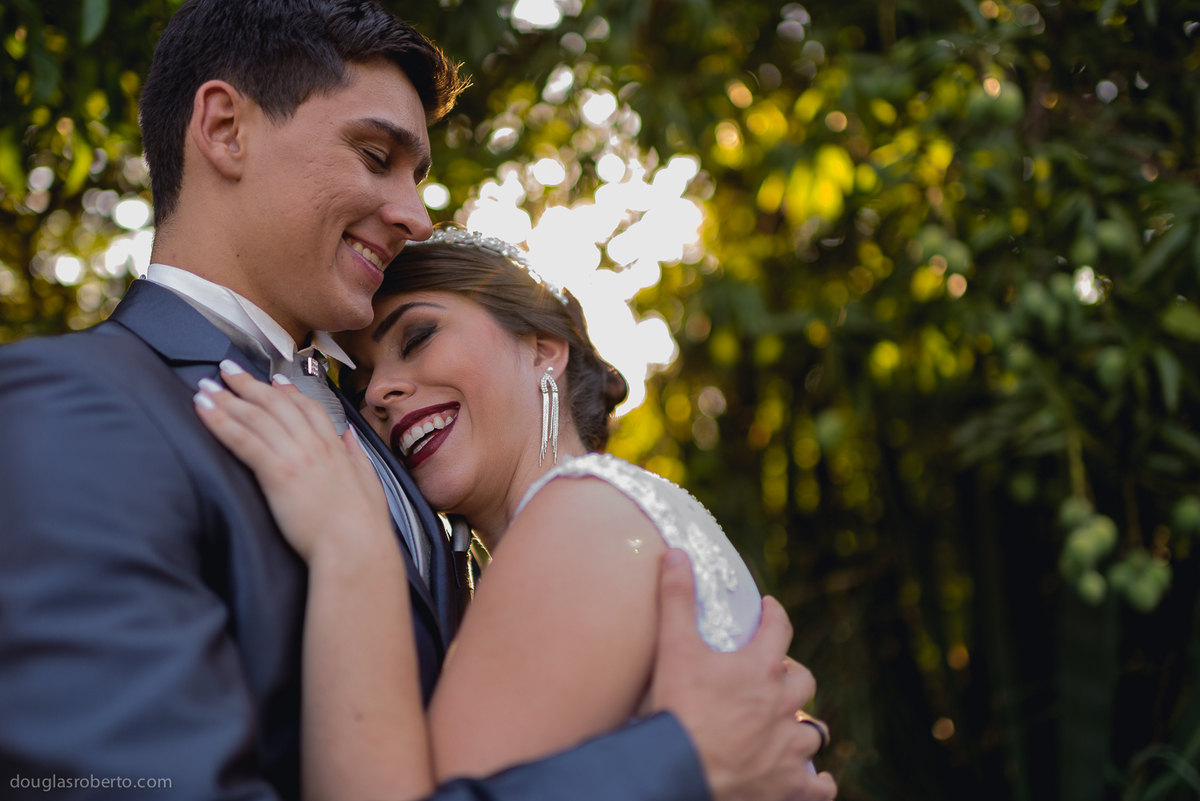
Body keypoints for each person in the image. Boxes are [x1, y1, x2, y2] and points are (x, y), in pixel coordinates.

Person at [0, 0, 834, 799]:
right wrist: (686, 765)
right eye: (375, 155)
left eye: (417, 175)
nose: (416, 216)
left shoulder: (403, 459)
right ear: (225, 129)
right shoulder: (82, 406)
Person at [192, 227, 835, 798]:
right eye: (359, 388)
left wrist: (348, 543)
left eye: (418, 337)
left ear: (543, 349)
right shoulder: (613, 518)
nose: (380, 393)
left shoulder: (582, 518)